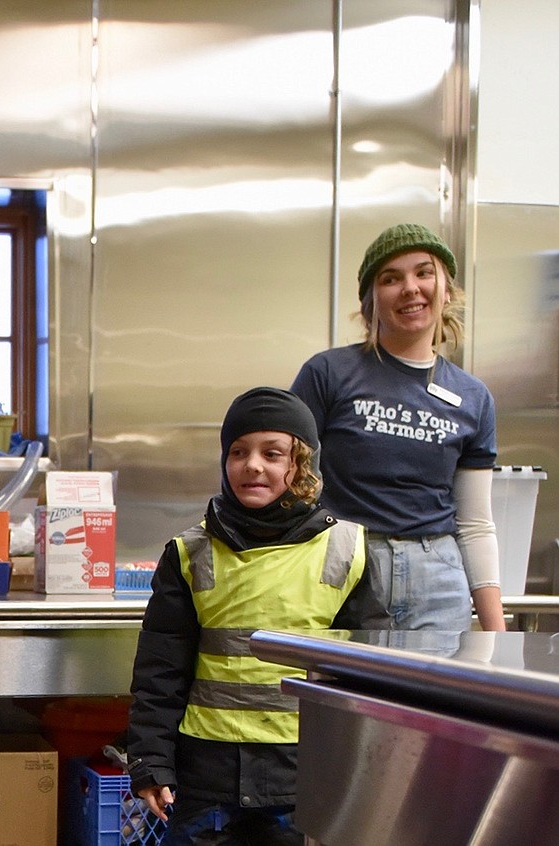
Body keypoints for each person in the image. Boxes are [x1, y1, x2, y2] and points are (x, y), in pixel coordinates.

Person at [126, 386, 389, 846]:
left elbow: (370, 680)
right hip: (206, 775)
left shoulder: (348, 550)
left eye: (272, 453)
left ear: (300, 464)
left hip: (302, 772)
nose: (252, 464)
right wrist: (150, 762)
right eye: (238, 451)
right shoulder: (189, 552)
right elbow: (159, 670)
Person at [290, 223, 505, 632]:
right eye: (391, 278)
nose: (410, 288)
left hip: (438, 578)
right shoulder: (327, 373)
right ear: (371, 300)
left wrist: (497, 636)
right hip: (343, 568)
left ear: (445, 291)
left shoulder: (474, 397)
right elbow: (288, 483)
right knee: (342, 696)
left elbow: (475, 523)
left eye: (424, 273)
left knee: (431, 698)